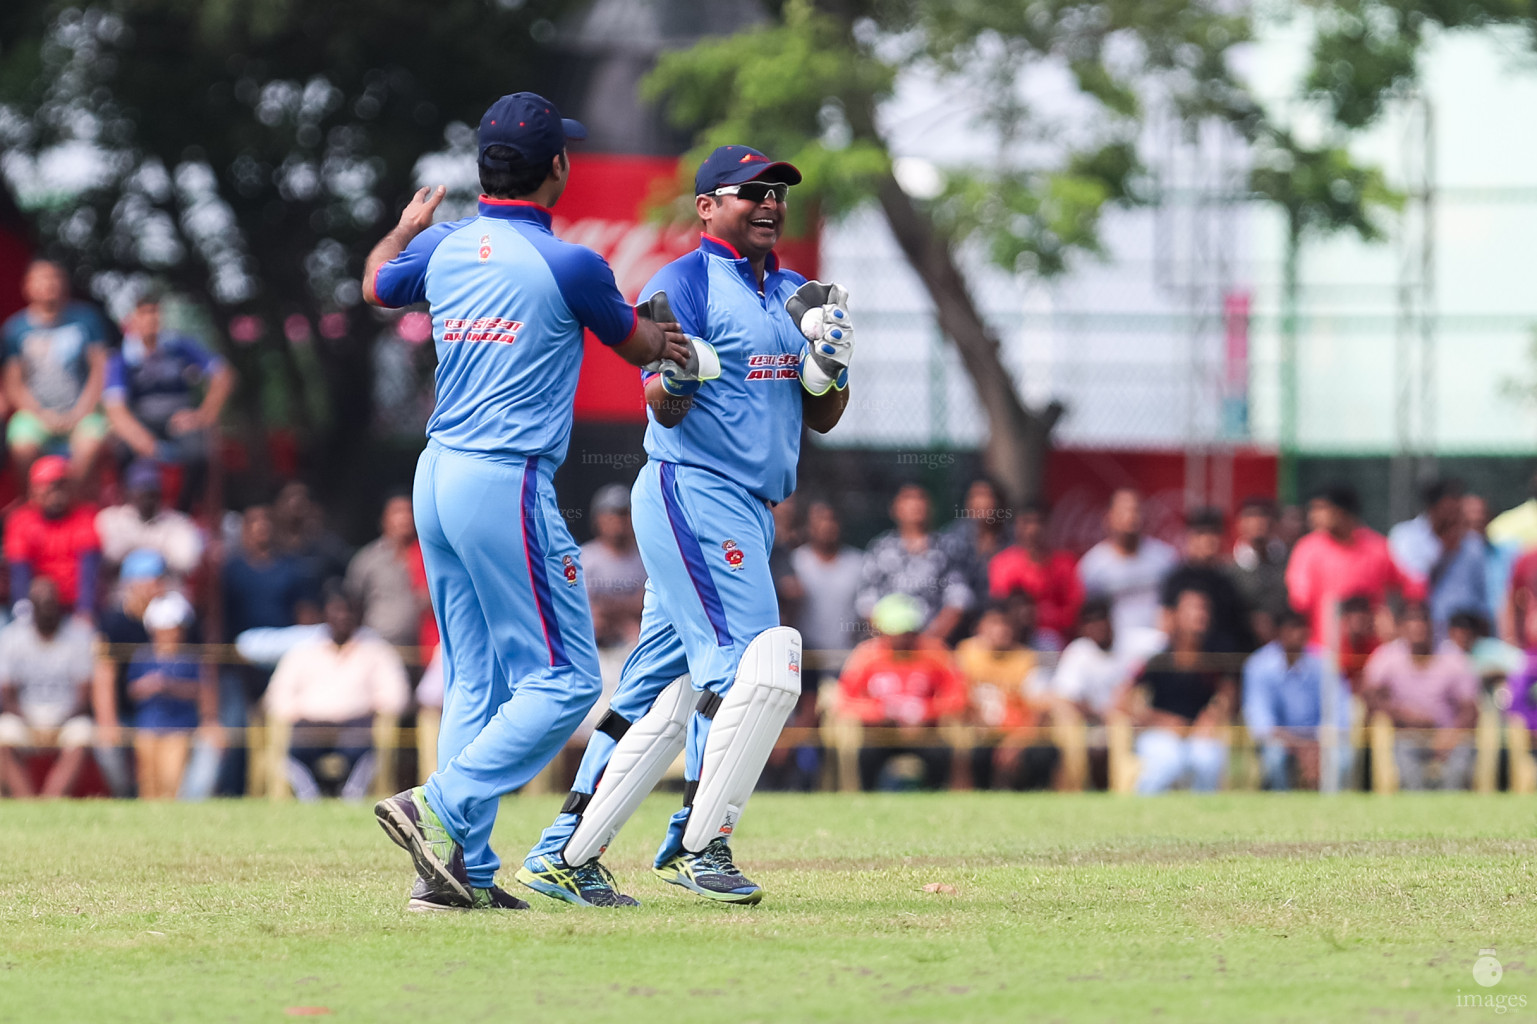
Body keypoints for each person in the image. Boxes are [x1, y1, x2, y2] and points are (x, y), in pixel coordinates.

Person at [366, 91, 690, 913]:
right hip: (501, 479)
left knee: (476, 678)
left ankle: (459, 875)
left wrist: (405, 226)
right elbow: (640, 346)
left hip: (435, 475)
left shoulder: (440, 244)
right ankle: (434, 802)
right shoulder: (570, 263)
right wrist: (669, 334)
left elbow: (375, 284)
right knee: (567, 682)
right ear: (557, 168)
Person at [517, 142, 851, 908]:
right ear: (707, 207)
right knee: (754, 663)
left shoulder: (799, 291)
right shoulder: (684, 283)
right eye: (750, 193)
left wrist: (830, 366)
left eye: (778, 194)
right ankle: (702, 843)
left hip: (750, 507)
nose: (770, 204)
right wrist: (675, 373)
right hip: (692, 490)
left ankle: (562, 853)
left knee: (654, 690)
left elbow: (822, 416)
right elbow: (661, 405)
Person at [265, 583, 411, 801]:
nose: (343, 617)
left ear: (358, 615)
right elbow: (278, 694)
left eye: (348, 611)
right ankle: (308, 798)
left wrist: (372, 707)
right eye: (337, 610)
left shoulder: (376, 651)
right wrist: (297, 712)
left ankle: (352, 797)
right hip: (310, 725)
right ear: (325, 614)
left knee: (362, 750)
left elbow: (397, 695)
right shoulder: (303, 651)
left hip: (356, 725)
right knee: (296, 751)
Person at [101, 294, 234, 507]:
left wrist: (203, 415)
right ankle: (131, 510)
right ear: (132, 319)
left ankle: (185, 511)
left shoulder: (179, 346)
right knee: (121, 450)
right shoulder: (122, 357)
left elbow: (223, 375)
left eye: (155, 312)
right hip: (140, 422)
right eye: (144, 313)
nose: (150, 319)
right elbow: (115, 408)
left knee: (199, 455)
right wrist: (141, 439)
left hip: (179, 419)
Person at [836, 594, 967, 791]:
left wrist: (924, 711)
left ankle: (939, 806)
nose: (906, 637)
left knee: (941, 754)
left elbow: (958, 696)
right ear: (882, 630)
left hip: (924, 735)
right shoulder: (865, 656)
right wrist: (881, 713)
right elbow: (845, 700)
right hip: (879, 735)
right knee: (866, 756)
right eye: (898, 631)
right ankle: (864, 805)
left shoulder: (936, 652)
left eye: (911, 631)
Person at [1114, 588, 1236, 795]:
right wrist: (1159, 721)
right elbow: (1119, 701)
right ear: (1176, 616)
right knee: (1169, 761)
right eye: (1192, 608)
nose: (1200, 614)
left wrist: (1212, 716)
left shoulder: (1213, 661)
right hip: (1159, 735)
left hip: (1198, 735)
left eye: (1204, 608)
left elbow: (1228, 694)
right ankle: (1141, 818)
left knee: (1207, 759)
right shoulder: (1157, 660)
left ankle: (1204, 821)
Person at [0, 259, 110, 481]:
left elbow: (101, 370)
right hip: (35, 413)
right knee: (22, 446)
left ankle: (74, 510)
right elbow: (13, 383)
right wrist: (42, 415)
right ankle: (31, 509)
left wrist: (80, 411)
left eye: (54, 278)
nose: (49, 284)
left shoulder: (87, 319)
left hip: (84, 412)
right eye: (41, 279)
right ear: (27, 286)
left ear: (64, 284)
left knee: (88, 446)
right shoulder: (14, 329)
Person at [1042, 598, 1164, 790]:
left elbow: (1167, 646)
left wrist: (1131, 687)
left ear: (1111, 621)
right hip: (1091, 723)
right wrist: (1100, 713)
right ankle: (1074, 791)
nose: (1097, 627)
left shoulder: (1135, 643)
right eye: (1090, 623)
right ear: (1083, 628)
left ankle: (1122, 792)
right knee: (1075, 731)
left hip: (1131, 723)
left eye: (1101, 620)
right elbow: (1063, 696)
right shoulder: (1079, 652)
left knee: (1120, 726)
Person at [1286, 482, 1422, 644]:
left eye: (1321, 508)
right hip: (1324, 650)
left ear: (1341, 511)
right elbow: (1299, 602)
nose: (1313, 515)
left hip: (1371, 651)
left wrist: (1399, 622)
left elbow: (1412, 587)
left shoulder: (1376, 548)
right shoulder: (1308, 549)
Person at [1361, 602, 1478, 790]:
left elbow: (1470, 709)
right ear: (1401, 627)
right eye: (1412, 621)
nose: (1418, 627)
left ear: (1433, 626)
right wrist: (1401, 715)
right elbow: (1369, 696)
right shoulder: (1388, 657)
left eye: (1423, 621)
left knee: (1458, 770)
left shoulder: (1453, 658)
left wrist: (1451, 736)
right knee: (1408, 773)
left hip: (1448, 735)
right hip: (1406, 735)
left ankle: (1453, 815)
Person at [0, 577, 97, 798]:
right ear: (31, 607)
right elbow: (7, 694)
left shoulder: (78, 636)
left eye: (50, 604)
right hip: (25, 713)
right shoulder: (12, 637)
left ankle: (51, 800)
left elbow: (83, 695)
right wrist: (29, 720)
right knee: (3, 733)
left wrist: (58, 722)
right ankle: (27, 804)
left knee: (82, 732)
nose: (47, 610)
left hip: (66, 713)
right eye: (41, 604)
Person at [1241, 610, 1352, 791]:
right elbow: (1262, 724)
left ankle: (1332, 808)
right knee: (1274, 758)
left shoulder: (1323, 663)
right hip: (1280, 741)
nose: (1297, 634)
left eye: (1301, 628)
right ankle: (1280, 808)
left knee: (1342, 758)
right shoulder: (1258, 666)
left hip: (1319, 740)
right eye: (1291, 628)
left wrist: (1317, 746)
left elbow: (1340, 712)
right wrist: (1301, 747)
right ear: (1278, 632)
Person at [125, 591, 219, 800]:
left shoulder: (191, 659)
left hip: (179, 729)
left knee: (172, 781)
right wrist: (147, 686)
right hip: (147, 728)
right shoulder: (142, 656)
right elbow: (131, 690)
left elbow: (201, 690)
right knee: (148, 781)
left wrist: (169, 686)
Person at [856, 483, 973, 641]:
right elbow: (866, 602)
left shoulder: (948, 549)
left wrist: (928, 642)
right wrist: (892, 642)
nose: (915, 504)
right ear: (895, 508)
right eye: (908, 498)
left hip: (933, 647)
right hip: (888, 648)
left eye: (921, 498)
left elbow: (958, 600)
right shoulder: (880, 549)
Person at [954, 603, 1048, 789]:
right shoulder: (965, 654)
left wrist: (1017, 741)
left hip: (1017, 735)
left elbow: (1039, 707)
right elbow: (957, 697)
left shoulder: (1027, 659)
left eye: (1007, 624)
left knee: (1043, 754)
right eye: (994, 623)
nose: (1001, 630)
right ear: (979, 627)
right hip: (977, 732)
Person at [1387, 478, 1488, 636]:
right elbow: (1413, 585)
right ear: (1433, 507)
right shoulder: (1406, 536)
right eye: (1450, 506)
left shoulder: (1472, 544)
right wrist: (1443, 550)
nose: (1455, 512)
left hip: (1465, 635)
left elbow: (1481, 595)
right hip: (1421, 634)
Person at [4, 455, 100, 619]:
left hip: (73, 607)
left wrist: (85, 611)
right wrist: (23, 610)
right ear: (34, 489)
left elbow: (89, 570)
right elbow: (19, 572)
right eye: (50, 485)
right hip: (37, 607)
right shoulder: (20, 520)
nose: (57, 492)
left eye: (61, 484)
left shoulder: (85, 516)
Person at [1077, 488, 1178, 640]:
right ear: (1109, 517)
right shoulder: (1092, 567)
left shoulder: (1165, 558)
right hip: (1115, 648)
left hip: (1156, 646)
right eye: (1124, 511)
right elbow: (1089, 618)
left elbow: (1173, 607)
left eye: (1136, 510)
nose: (1131, 517)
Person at [1159, 507, 1254, 653]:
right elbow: (1166, 625)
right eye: (1202, 534)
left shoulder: (1228, 581)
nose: (1209, 540)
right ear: (1191, 538)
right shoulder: (1177, 579)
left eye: (1215, 533)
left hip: (1221, 659)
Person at [344, 491, 430, 649]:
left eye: (409, 511)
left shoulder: (428, 557)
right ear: (383, 519)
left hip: (423, 650)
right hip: (379, 648)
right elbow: (354, 603)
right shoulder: (368, 559)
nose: (405, 517)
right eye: (397, 512)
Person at [987, 499, 1083, 638]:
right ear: (1016, 526)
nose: (1033, 529)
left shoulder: (1066, 564)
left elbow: (1075, 614)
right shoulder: (1002, 564)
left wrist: (1041, 615)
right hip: (1013, 643)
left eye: (1040, 522)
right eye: (1026, 522)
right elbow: (1000, 611)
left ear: (1050, 525)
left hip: (1053, 643)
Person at [95, 459, 204, 580]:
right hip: (121, 593)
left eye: (152, 493)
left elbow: (187, 561)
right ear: (129, 492)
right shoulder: (111, 519)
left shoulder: (178, 523)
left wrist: (139, 550)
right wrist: (158, 549)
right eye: (141, 491)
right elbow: (110, 556)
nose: (147, 499)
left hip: (166, 592)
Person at [790, 499, 865, 667]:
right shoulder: (796, 562)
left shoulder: (858, 563)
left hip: (847, 658)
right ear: (809, 526)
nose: (827, 526)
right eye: (820, 520)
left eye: (831, 519)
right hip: (804, 660)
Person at [579, 483, 647, 651]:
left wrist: (611, 607)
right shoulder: (584, 558)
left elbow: (650, 606)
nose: (618, 522)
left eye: (624, 514)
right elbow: (582, 610)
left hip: (637, 643)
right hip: (597, 646)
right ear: (598, 519)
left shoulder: (646, 558)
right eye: (611, 515)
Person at [940, 477, 1012, 634]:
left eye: (987, 496)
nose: (982, 503)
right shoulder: (952, 538)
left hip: (1003, 624)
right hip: (961, 622)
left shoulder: (1012, 540)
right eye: (976, 496)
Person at [1228, 496, 1289, 646]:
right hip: (1240, 644)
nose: (1259, 523)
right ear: (1240, 524)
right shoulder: (1228, 569)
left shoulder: (1288, 562)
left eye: (1263, 517)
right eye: (1251, 517)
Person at [273, 481, 353, 592]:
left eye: (302, 498)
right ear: (278, 505)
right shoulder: (269, 545)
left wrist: (334, 596)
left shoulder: (328, 546)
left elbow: (345, 577)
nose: (296, 503)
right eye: (290, 498)